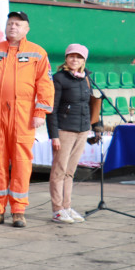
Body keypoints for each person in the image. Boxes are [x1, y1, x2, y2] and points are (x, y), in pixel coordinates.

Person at [0, 10, 54, 228]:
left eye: (18, 24)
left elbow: (45, 85)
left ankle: (18, 210)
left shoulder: (37, 53)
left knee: (21, 164)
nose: (13, 27)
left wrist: (40, 113)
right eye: (10, 23)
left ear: (26, 29)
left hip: (23, 117)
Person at [48, 44, 98, 224]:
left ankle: (67, 206)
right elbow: (52, 110)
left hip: (82, 130)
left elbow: (91, 104)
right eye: (71, 56)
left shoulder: (86, 78)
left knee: (70, 172)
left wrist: (95, 127)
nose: (74, 60)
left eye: (79, 57)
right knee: (59, 171)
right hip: (64, 130)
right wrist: (54, 135)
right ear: (66, 58)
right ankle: (57, 209)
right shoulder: (59, 78)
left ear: (84, 60)